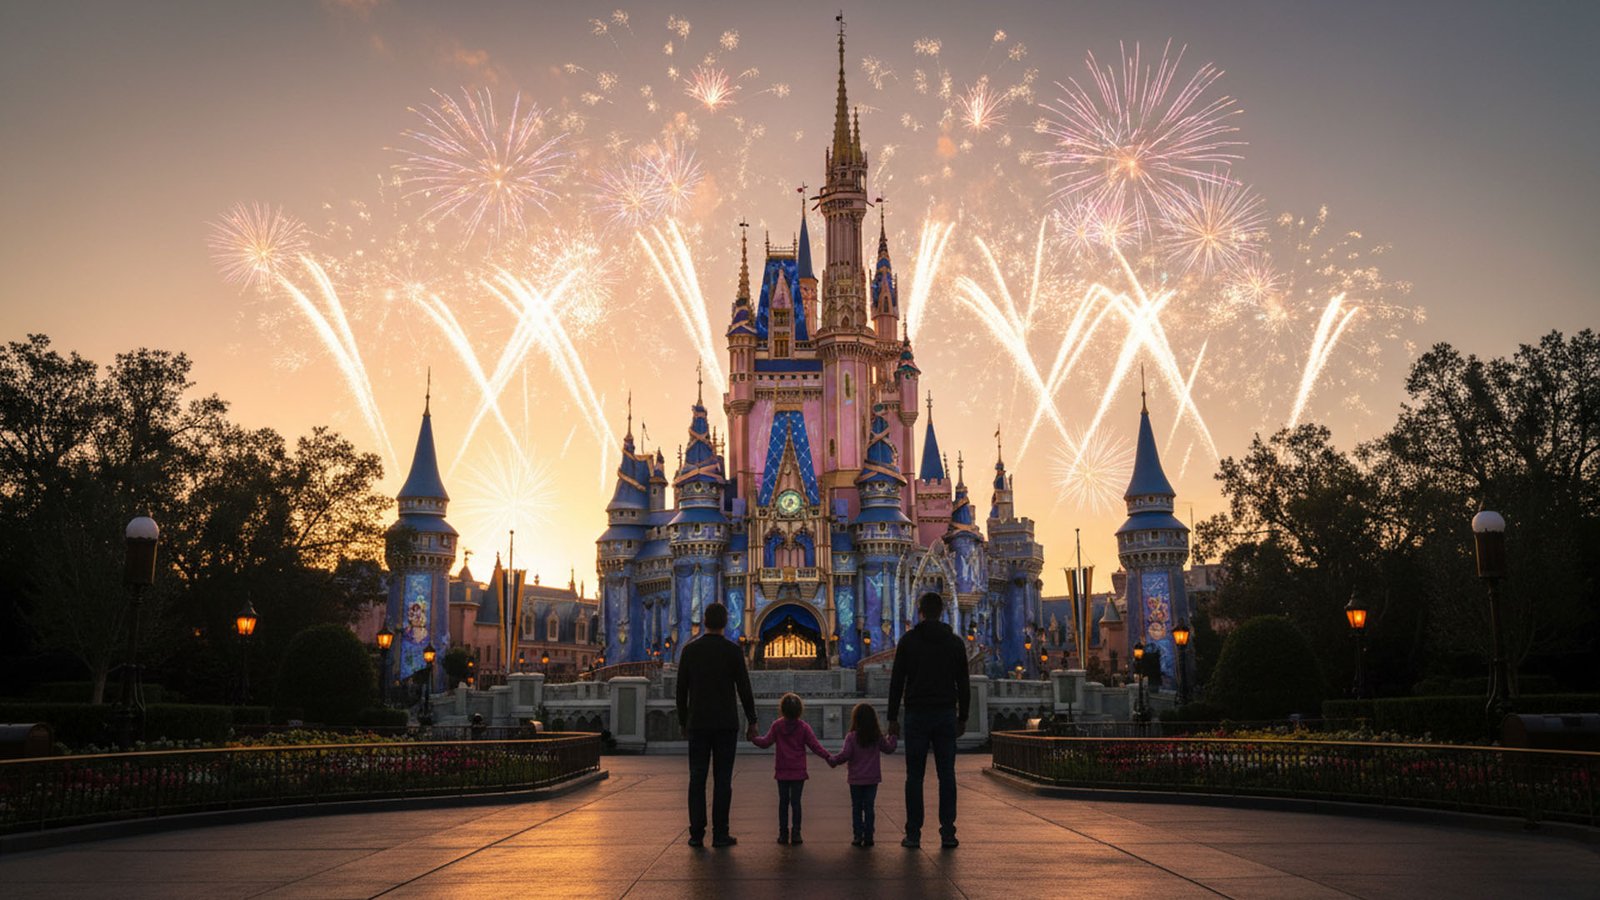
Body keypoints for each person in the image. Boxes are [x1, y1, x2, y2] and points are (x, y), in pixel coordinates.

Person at [886, 591, 970, 849]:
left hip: (917, 715)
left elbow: (897, 682)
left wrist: (892, 718)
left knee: (914, 776)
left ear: (920, 611)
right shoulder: (955, 643)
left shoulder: (909, 642)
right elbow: (963, 684)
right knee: (947, 775)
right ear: (941, 612)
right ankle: (948, 832)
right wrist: (963, 717)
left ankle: (913, 833)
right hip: (945, 714)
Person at [675, 602, 758, 848]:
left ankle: (696, 834)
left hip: (698, 723)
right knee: (723, 780)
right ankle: (721, 833)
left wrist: (683, 721)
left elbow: (681, 692)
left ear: (704, 621)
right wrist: (752, 720)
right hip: (725, 724)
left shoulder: (690, 651)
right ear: (725, 622)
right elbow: (744, 688)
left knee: (697, 778)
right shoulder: (733, 651)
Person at [750, 692, 830, 845]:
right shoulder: (804, 727)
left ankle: (782, 833)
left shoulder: (777, 726)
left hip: (782, 770)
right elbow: (815, 746)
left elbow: (765, 742)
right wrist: (828, 757)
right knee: (796, 803)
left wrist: (753, 738)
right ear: (800, 709)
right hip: (798, 771)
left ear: (782, 709)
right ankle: (796, 833)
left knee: (783, 803)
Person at [827, 702, 898, 847]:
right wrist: (893, 736)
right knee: (869, 807)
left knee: (857, 808)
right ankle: (869, 835)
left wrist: (833, 760)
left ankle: (857, 836)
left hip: (855, 779)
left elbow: (846, 754)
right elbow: (889, 749)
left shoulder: (851, 737)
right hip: (872, 779)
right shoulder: (876, 737)